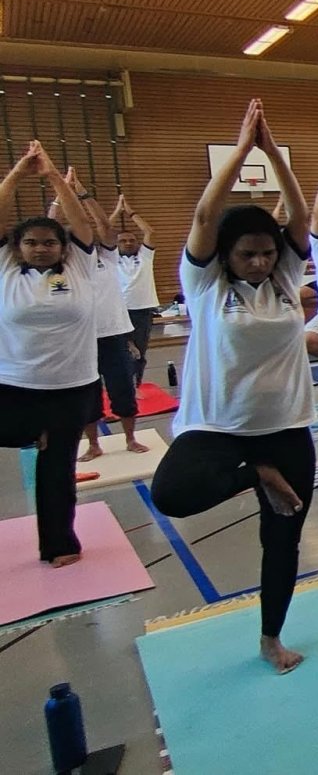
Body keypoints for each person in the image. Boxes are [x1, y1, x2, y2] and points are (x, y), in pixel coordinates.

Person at [149, 99, 316, 673]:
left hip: (287, 430)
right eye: (247, 254)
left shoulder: (286, 277)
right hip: (216, 428)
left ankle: (272, 638)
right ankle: (255, 477)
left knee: (284, 540)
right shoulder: (201, 285)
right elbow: (202, 217)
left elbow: (298, 219)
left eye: (267, 254)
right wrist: (245, 151)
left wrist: (276, 155)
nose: (260, 263)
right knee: (171, 493)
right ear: (225, 255)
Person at [0, 141, 99, 567]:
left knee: (57, 469)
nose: (40, 248)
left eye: (49, 242)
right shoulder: (5, 268)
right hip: (13, 384)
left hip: (69, 386)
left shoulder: (78, 266)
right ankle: (32, 432)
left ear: (62, 248)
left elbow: (79, 223)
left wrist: (55, 176)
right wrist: (21, 172)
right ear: (17, 246)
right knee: (34, 439)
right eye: (31, 242)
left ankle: (59, 544)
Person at [55, 169, 144, 462]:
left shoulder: (105, 256)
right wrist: (60, 195)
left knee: (123, 388)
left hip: (113, 334)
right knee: (87, 393)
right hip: (81, 339)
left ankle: (130, 438)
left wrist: (81, 193)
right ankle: (94, 444)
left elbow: (105, 226)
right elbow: (51, 224)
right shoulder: (65, 266)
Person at [111, 195, 160, 385]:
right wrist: (117, 211)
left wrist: (130, 212)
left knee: (140, 350)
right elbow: (103, 231)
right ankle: (120, 383)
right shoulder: (111, 259)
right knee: (121, 349)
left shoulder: (145, 257)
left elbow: (149, 231)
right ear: (116, 244)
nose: (129, 243)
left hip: (142, 309)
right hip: (119, 310)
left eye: (132, 240)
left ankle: (136, 383)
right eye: (123, 241)